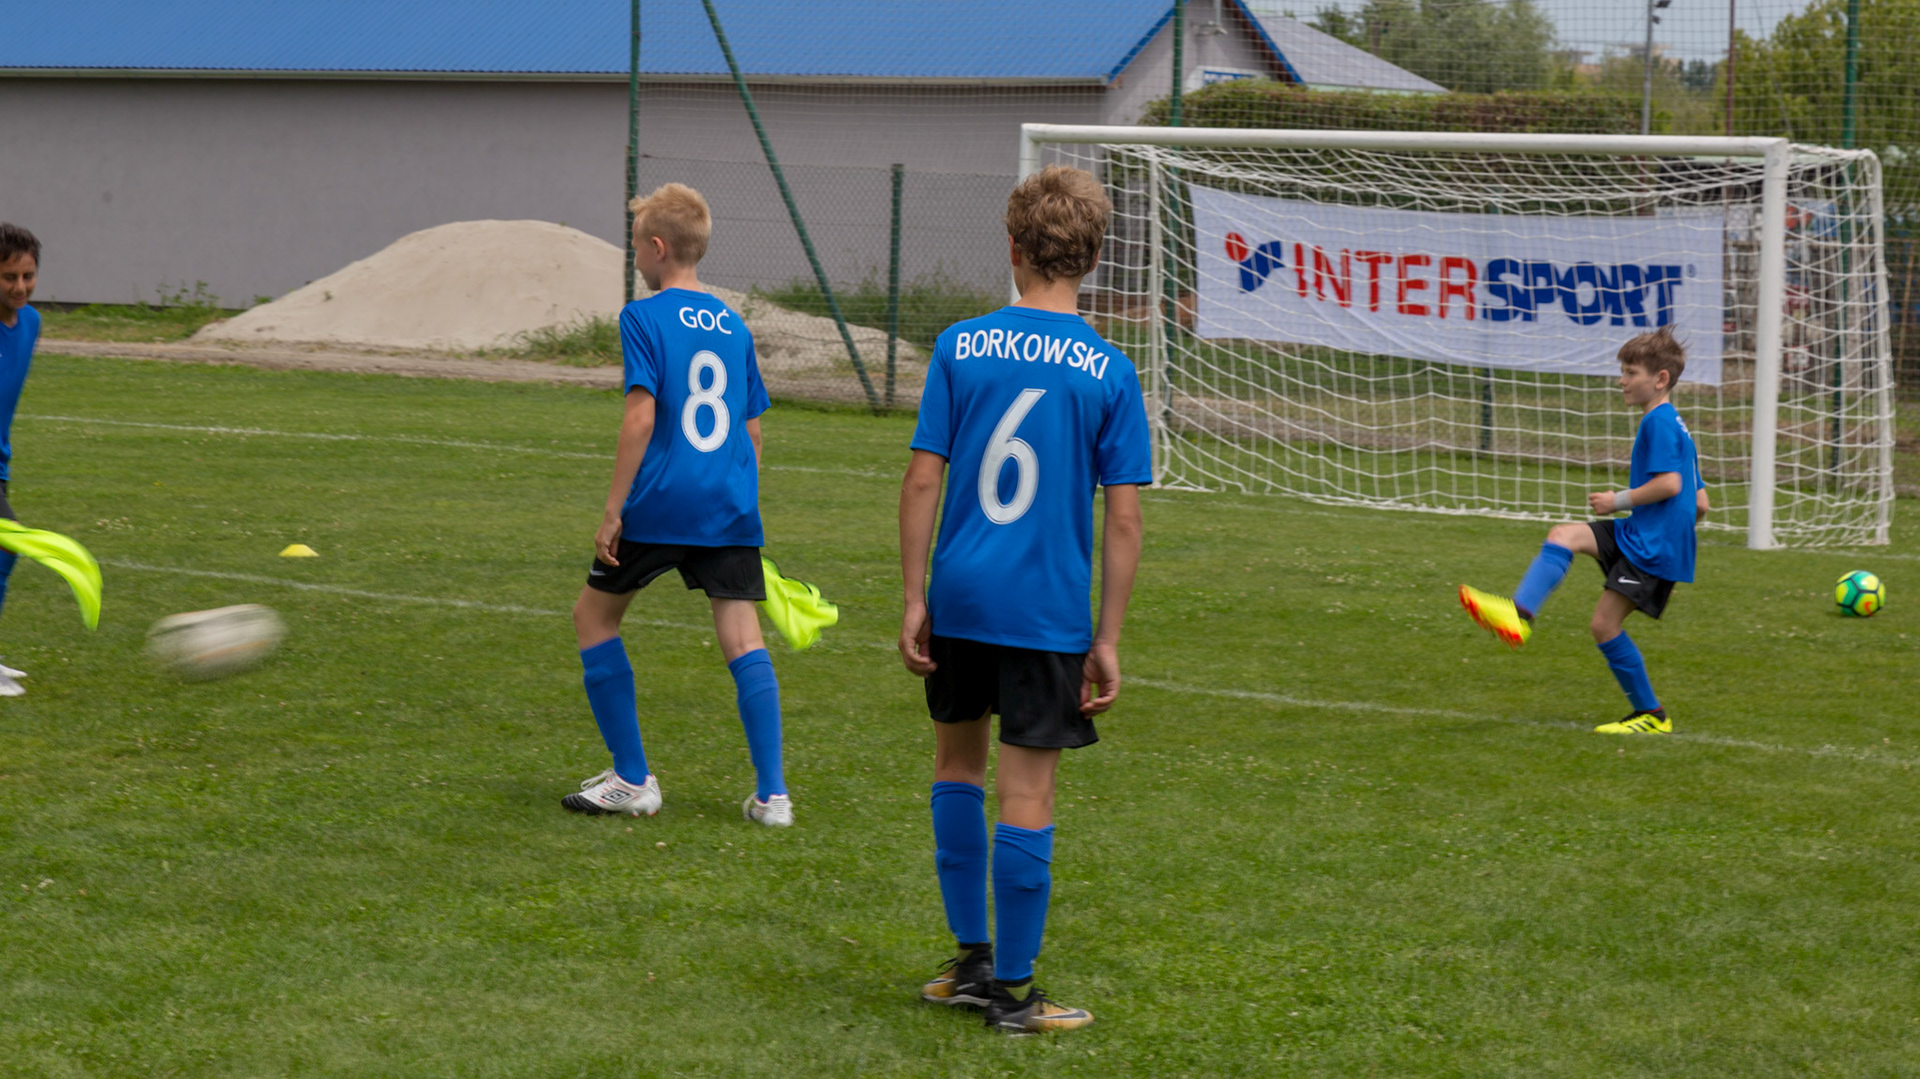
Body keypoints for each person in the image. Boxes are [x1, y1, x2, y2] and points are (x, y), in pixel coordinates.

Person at [899, 165, 1151, 1034]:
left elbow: (922, 478)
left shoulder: (960, 345)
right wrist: (1106, 637)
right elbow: (1124, 518)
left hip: (962, 596)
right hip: (1045, 610)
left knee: (956, 768)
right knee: (1028, 794)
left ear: (1012, 248)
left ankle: (970, 961)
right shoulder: (1110, 369)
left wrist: (914, 595)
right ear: (1094, 257)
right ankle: (1011, 993)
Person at [566, 184, 790, 826]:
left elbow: (641, 417)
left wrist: (614, 510)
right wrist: (741, 507)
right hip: (728, 504)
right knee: (744, 638)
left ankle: (633, 778)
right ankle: (773, 796)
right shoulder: (735, 325)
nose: (636, 255)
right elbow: (751, 431)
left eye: (637, 244)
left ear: (657, 248)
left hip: (662, 499)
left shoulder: (642, 317)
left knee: (593, 619)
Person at [1459, 326, 1708, 734]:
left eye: (1630, 373)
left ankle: (1652, 715)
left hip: (1651, 547)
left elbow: (1670, 485)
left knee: (1604, 625)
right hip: (1645, 535)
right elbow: (1700, 502)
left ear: (1660, 379)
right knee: (1564, 535)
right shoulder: (1676, 424)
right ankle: (1518, 615)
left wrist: (1617, 501)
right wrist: (1673, 532)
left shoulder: (1658, 423)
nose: (1621, 381)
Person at [0, 224, 46, 697]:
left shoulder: (30, 323)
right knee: (5, 545)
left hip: (0, 461)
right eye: (8, 277)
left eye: (27, 276)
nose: (20, 287)